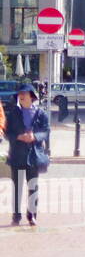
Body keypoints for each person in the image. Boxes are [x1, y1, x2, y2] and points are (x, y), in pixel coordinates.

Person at [5, 84, 49, 226]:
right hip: (17, 155)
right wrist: (18, 136)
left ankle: (32, 215)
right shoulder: (13, 113)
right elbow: (7, 132)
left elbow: (46, 131)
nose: (21, 96)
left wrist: (34, 136)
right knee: (17, 187)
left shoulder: (41, 114)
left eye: (24, 93)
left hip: (33, 156)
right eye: (20, 94)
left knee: (33, 187)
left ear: (32, 96)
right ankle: (16, 216)